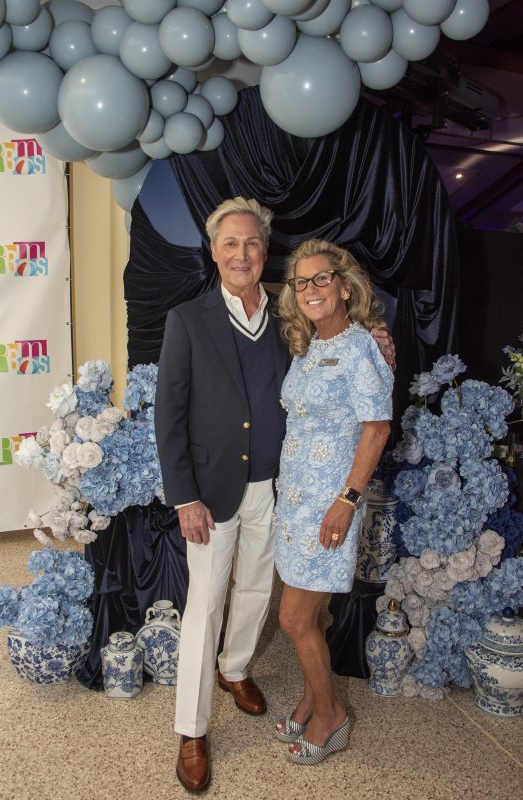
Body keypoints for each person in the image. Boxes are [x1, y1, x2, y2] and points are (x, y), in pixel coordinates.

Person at [155, 199, 395, 792]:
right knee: (205, 605)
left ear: (266, 251)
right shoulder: (188, 319)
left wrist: (377, 334)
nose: (242, 254)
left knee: (260, 591)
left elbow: (345, 371)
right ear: (213, 251)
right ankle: (191, 728)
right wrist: (184, 496)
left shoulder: (290, 322)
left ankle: (236, 670)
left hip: (279, 490)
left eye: (253, 244)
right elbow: (169, 415)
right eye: (230, 243)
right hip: (211, 493)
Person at [273, 239, 393, 765]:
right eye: (302, 282)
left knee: (294, 618)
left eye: (323, 278)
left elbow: (377, 427)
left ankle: (331, 717)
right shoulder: (309, 347)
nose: (312, 289)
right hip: (295, 504)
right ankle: (312, 696)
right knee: (312, 614)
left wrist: (346, 500)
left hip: (330, 506)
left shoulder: (361, 345)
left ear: (345, 286)